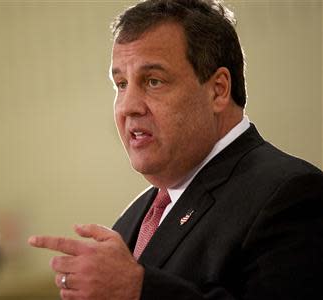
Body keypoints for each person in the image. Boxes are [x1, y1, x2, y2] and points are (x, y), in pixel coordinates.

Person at [28, 0, 323, 299]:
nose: (127, 106)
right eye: (120, 84)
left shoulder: (291, 195)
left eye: (153, 81)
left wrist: (137, 290)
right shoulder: (131, 221)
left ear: (218, 90)